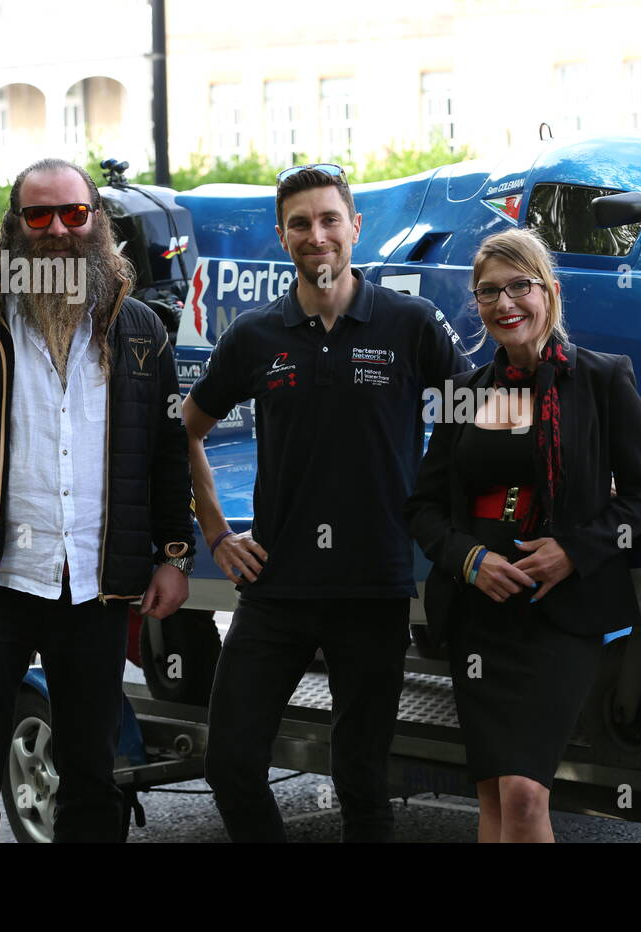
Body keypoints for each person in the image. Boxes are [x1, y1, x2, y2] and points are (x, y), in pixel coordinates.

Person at [0, 158, 195, 842]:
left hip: (95, 586)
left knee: (92, 774)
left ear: (96, 221)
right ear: (16, 226)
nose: (58, 229)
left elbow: (166, 452)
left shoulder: (141, 332)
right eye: (39, 216)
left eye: (73, 213)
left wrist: (175, 555)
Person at [184, 163, 470, 842]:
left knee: (364, 781)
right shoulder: (256, 336)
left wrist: (591, 469)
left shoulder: (409, 322)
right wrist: (218, 532)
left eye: (329, 219)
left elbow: (480, 413)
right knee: (229, 762)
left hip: (372, 588)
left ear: (355, 227)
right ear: (283, 237)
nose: (318, 235)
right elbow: (186, 431)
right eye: (301, 223)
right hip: (275, 585)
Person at [405, 227, 641, 842]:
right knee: (495, 798)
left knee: (524, 796)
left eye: (518, 287)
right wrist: (469, 560)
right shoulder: (467, 395)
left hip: (558, 616)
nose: (504, 304)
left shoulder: (602, 381)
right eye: (488, 292)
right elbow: (423, 507)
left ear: (548, 291)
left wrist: (573, 551)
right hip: (481, 614)